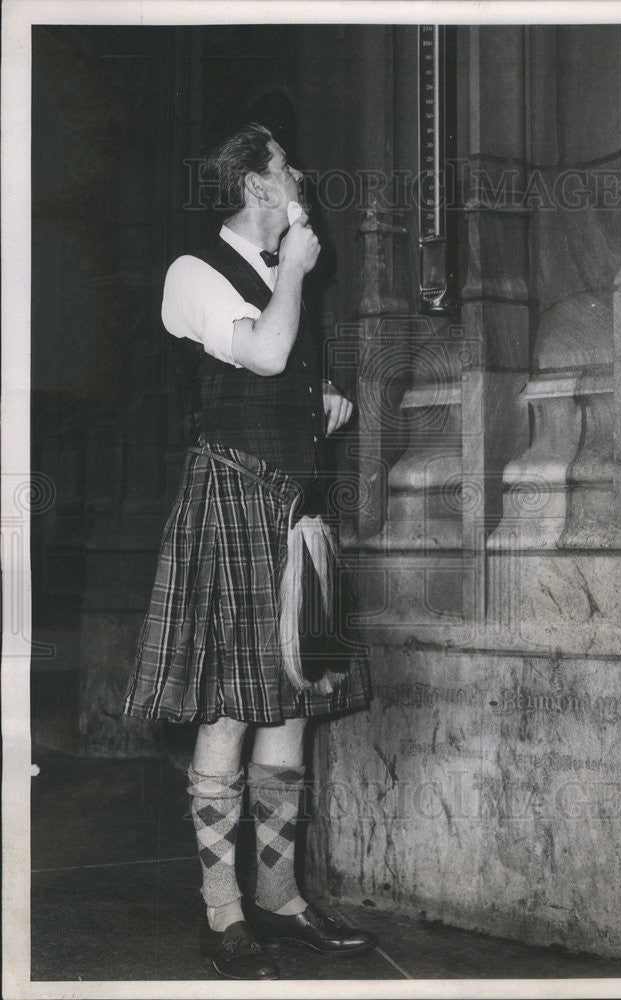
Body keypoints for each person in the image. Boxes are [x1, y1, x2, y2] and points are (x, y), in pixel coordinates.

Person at [122, 122, 375, 979]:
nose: (301, 177)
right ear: (260, 189)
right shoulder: (193, 273)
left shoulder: (280, 278)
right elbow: (264, 352)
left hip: (295, 507)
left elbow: (288, 368)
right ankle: (223, 914)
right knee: (229, 705)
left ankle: (279, 899)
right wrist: (297, 271)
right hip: (230, 500)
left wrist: (328, 398)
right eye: (287, 168)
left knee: (291, 697)